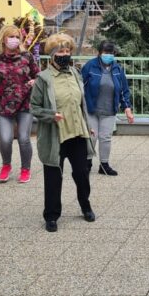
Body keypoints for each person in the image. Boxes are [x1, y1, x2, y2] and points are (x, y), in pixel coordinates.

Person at [29, 34, 96, 232]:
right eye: (60, 51)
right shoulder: (43, 78)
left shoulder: (75, 73)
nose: (65, 54)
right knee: (53, 177)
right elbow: (34, 107)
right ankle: (51, 216)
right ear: (52, 55)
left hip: (77, 132)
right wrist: (51, 115)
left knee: (82, 173)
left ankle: (85, 206)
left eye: (67, 51)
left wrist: (87, 124)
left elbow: (80, 103)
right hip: (55, 135)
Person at [0, 25, 39, 184]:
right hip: (3, 103)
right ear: (3, 39)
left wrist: (34, 81)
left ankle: (25, 169)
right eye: (11, 37)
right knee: (5, 139)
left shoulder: (27, 56)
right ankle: (6, 165)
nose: (14, 40)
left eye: (17, 37)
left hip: (25, 102)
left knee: (23, 138)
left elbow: (38, 74)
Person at [80, 41, 134, 176]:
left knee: (105, 138)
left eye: (111, 53)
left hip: (109, 110)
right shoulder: (90, 66)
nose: (108, 55)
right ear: (99, 53)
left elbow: (124, 90)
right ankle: (87, 162)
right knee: (91, 137)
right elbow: (80, 86)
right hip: (91, 109)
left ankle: (104, 165)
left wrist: (127, 108)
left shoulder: (117, 69)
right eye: (106, 52)